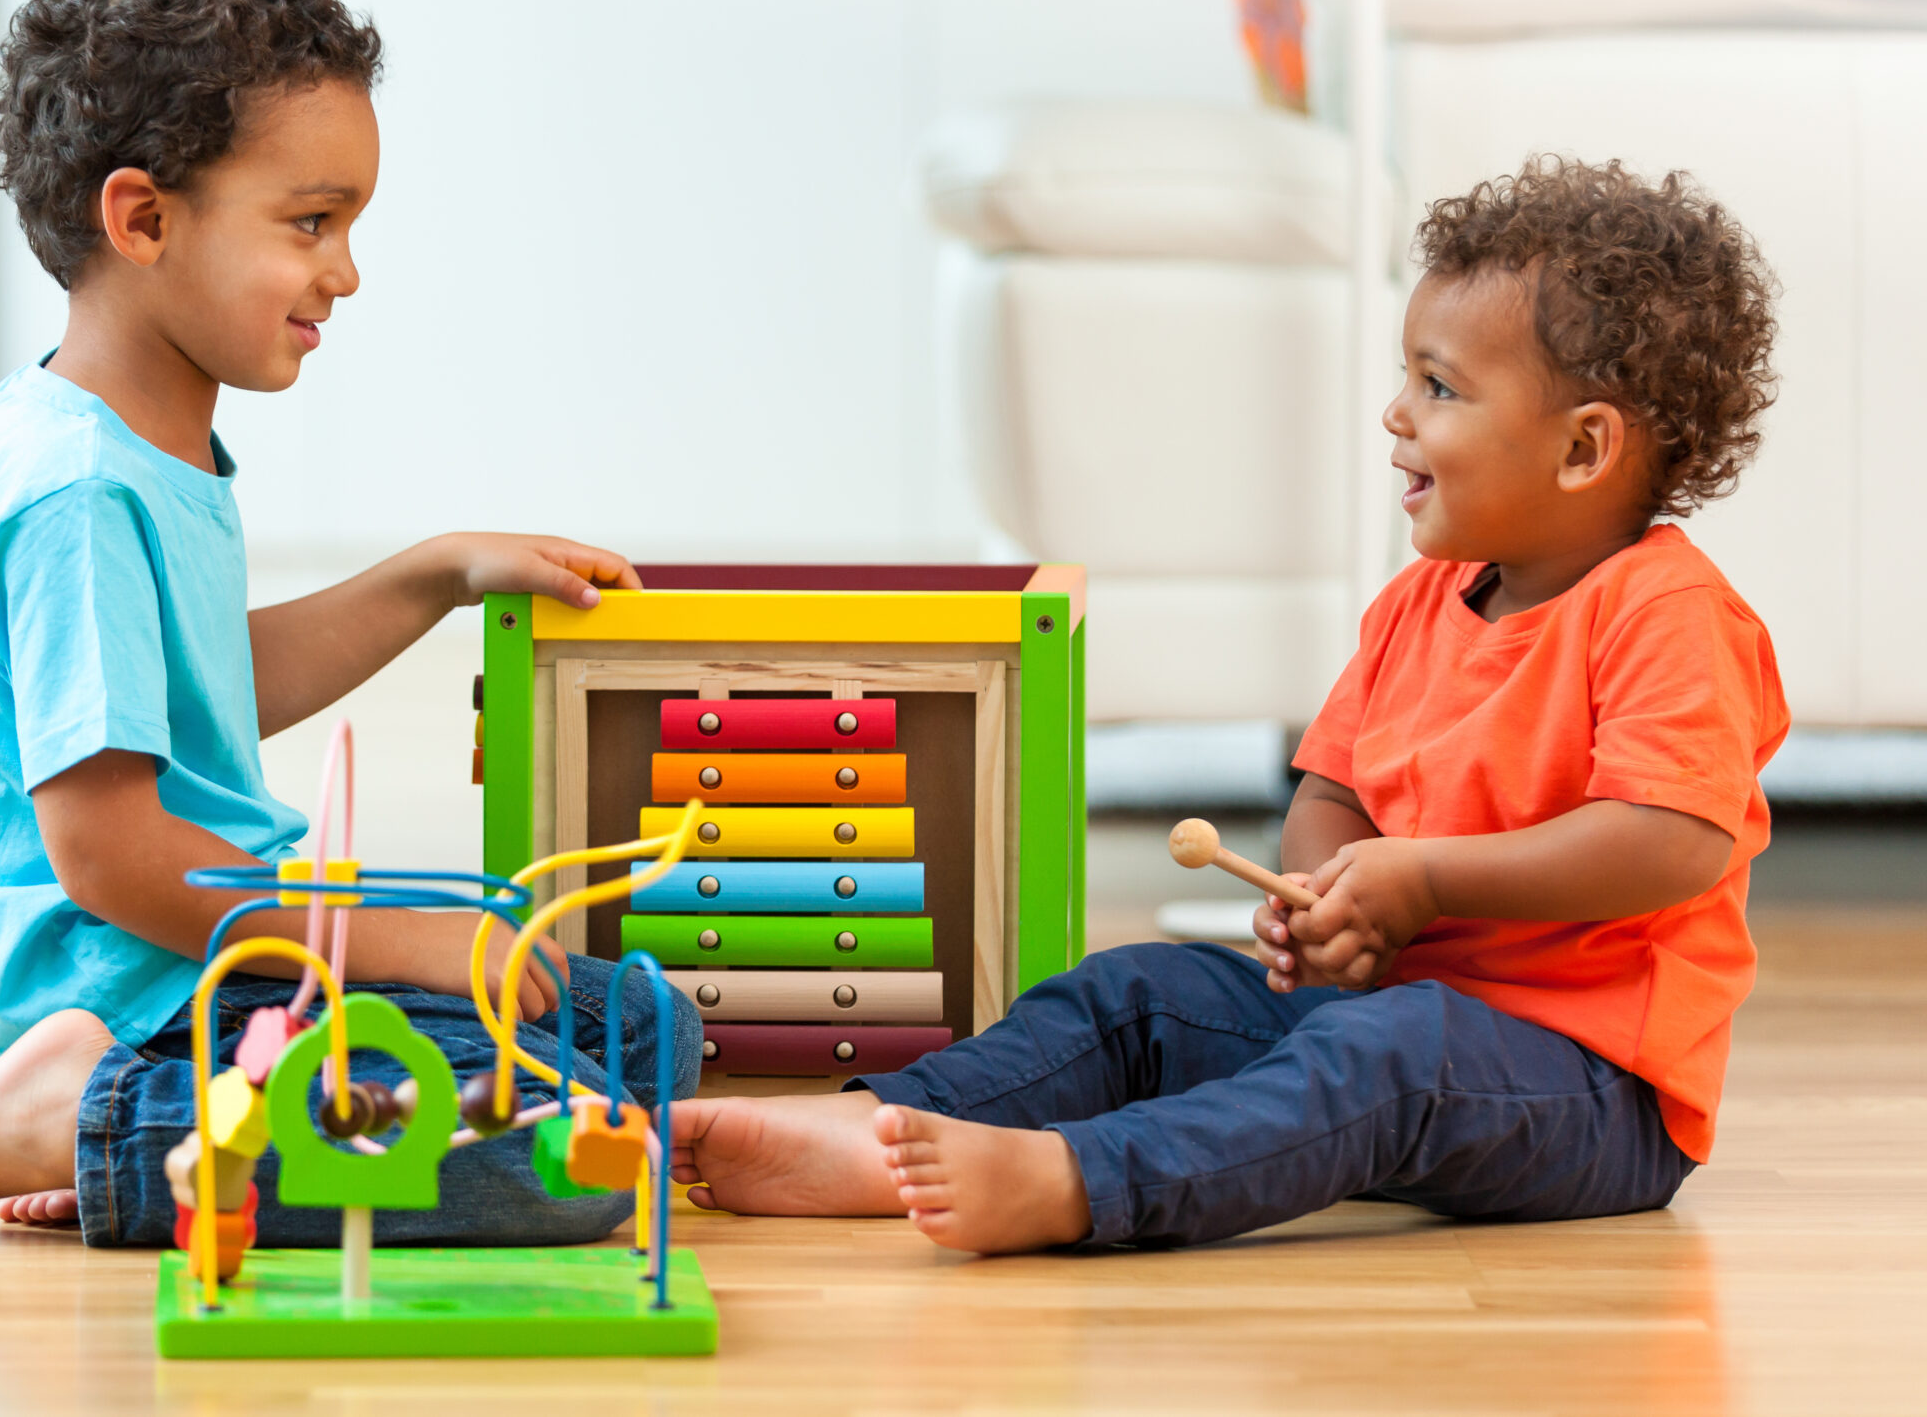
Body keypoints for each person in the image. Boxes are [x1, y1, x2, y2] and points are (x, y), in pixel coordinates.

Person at [669, 157, 1788, 1253]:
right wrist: (1325, 897)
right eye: (1407, 377)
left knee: (1384, 1057)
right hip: (1392, 1018)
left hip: (1589, 1089)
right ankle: (884, 1126)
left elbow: (1669, 839)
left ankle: (1076, 1184)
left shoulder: (1668, 614)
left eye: (1438, 387)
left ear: (1584, 447)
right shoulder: (1417, 604)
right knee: (1137, 993)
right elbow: (1332, 794)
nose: (1395, 415)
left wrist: (1424, 880)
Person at [0, 0, 693, 1246]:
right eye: (311, 222)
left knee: (641, 1032)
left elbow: (200, 687)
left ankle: (135, 1124)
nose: (344, 271)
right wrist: (389, 937)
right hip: (138, 989)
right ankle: (92, 1120)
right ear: (142, 217)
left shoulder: (138, 447)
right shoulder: (76, 488)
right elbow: (114, 856)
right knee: (575, 1156)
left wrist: (431, 574)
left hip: (211, 965)